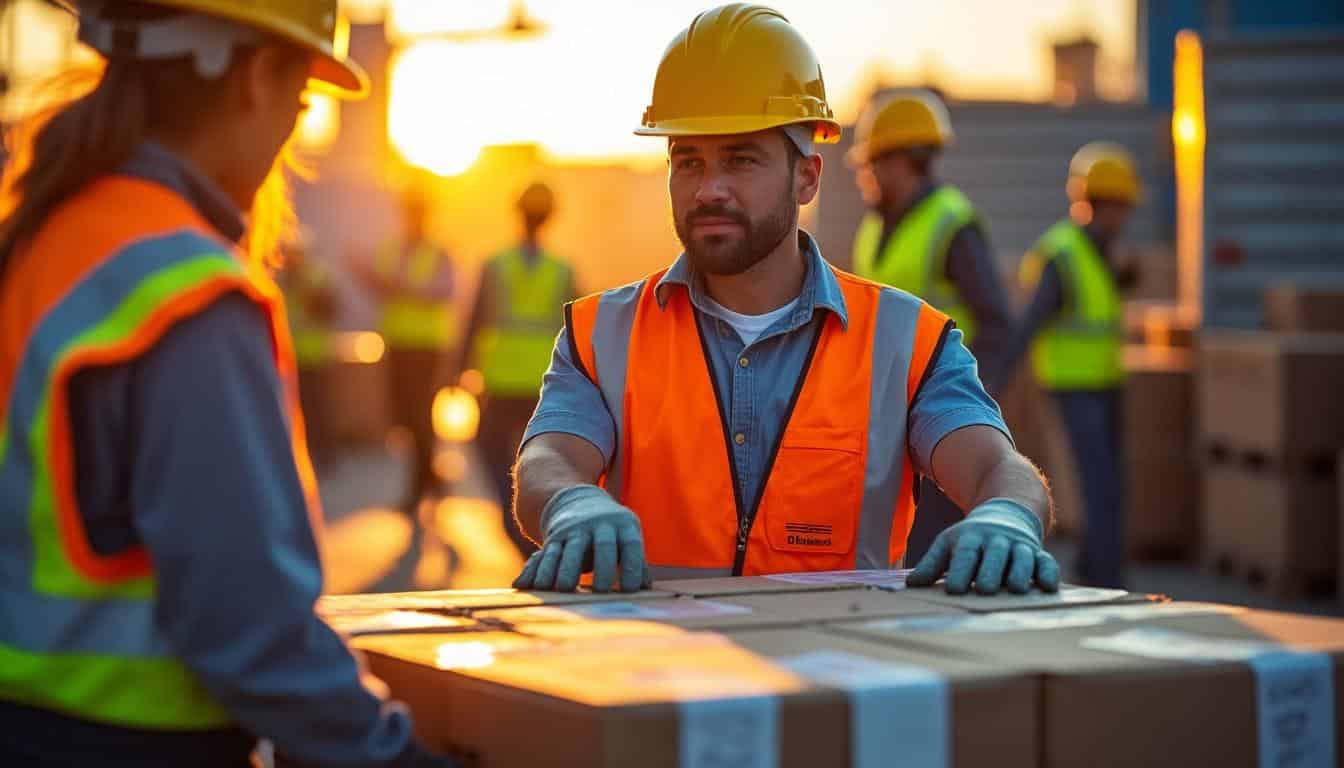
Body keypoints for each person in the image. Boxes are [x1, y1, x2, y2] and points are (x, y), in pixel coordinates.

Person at [0, 2, 455, 766]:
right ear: (257, 76)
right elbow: (252, 630)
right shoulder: (185, 290)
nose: (289, 137)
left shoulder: (45, 241)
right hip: (135, 745)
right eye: (300, 103)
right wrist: (393, 756)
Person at [510, 3, 1060, 598]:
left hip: (841, 654)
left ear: (808, 178)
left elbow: (997, 468)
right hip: (654, 655)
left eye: (741, 159)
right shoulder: (603, 334)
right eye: (688, 161)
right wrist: (570, 502)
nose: (709, 189)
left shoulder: (909, 342)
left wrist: (1007, 514)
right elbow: (548, 459)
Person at [846, 90, 1019, 564]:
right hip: (887, 415)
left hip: (937, 418)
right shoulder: (876, 228)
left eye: (872, 164)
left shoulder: (951, 225)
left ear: (899, 162)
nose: (866, 176)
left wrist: (963, 410)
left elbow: (998, 327)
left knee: (928, 553)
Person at [1006, 142, 1141, 589]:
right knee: (1099, 482)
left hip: (1106, 379)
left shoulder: (1102, 250)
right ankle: (1106, 576)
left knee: (1108, 482)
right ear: (1097, 203)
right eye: (1119, 207)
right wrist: (992, 382)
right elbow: (1028, 324)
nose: (1124, 217)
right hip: (1072, 383)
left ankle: (1094, 564)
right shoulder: (1063, 254)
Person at [459, 182, 577, 556]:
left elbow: (474, 321)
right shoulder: (563, 270)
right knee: (540, 456)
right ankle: (530, 525)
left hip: (502, 379)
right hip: (544, 381)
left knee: (490, 449)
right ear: (550, 217)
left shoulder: (495, 265)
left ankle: (515, 522)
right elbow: (579, 331)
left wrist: (458, 370)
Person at [362, 187, 458, 517]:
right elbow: (381, 288)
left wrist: (401, 287)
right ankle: (433, 478)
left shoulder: (439, 252)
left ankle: (418, 489)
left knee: (419, 415)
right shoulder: (391, 249)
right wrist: (368, 277)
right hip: (397, 343)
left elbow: (445, 292)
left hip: (426, 346)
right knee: (404, 417)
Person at [279, 226, 339, 469]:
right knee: (294, 409)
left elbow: (330, 311)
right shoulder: (279, 278)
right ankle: (301, 455)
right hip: (289, 356)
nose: (291, 259)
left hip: (315, 354)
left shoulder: (317, 276)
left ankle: (325, 455)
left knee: (318, 408)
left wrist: (308, 292)